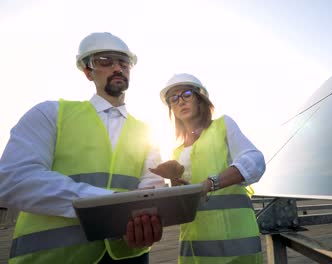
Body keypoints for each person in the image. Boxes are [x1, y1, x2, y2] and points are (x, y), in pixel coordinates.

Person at [0, 32, 165, 263]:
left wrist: (147, 219)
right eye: (105, 61)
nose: (117, 67)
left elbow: (152, 190)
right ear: (88, 71)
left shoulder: (147, 132)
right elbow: (14, 179)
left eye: (123, 62)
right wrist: (108, 203)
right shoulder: (51, 114)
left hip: (128, 256)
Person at [153, 73, 266, 263]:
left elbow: (255, 161)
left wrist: (210, 183)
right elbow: (184, 205)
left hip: (235, 249)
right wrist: (176, 189)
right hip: (193, 249)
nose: (180, 101)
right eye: (174, 98)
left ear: (200, 99)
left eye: (187, 94)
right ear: (171, 108)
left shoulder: (222, 125)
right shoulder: (177, 153)